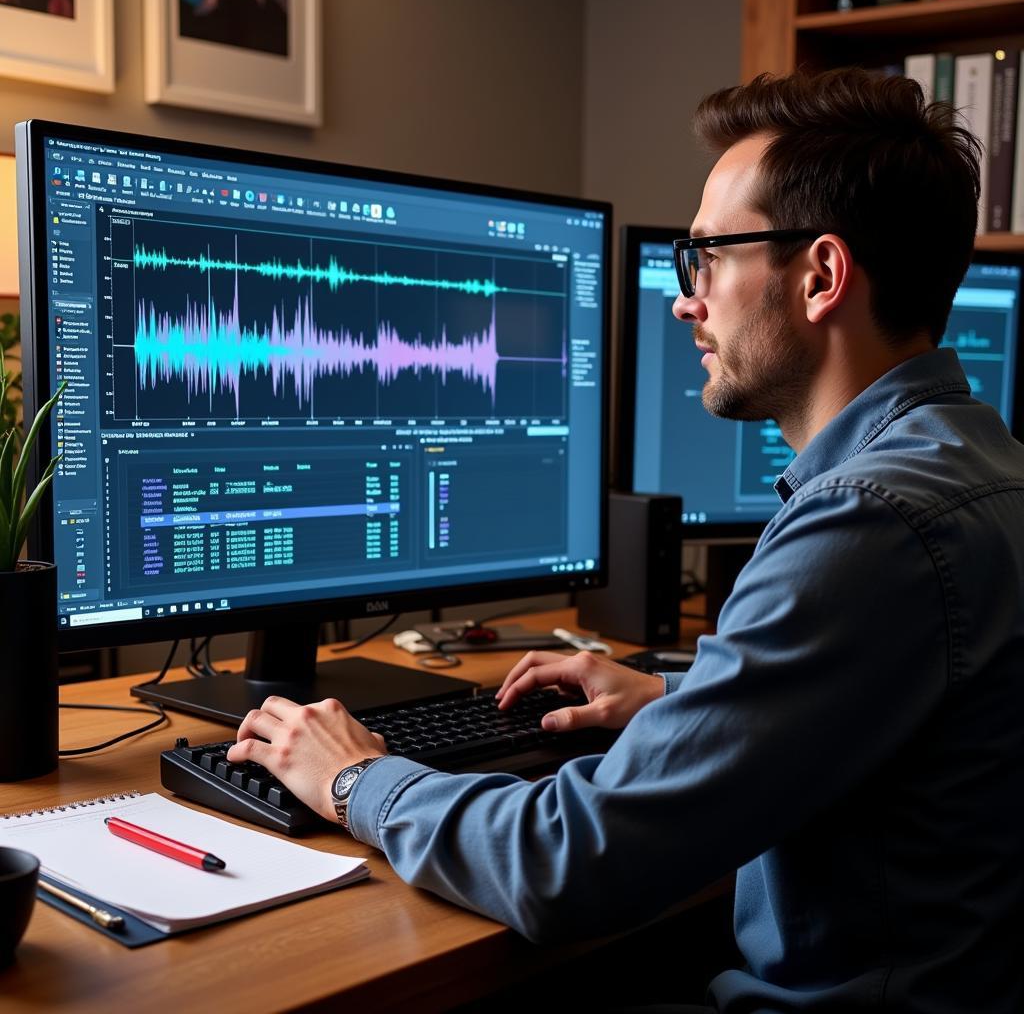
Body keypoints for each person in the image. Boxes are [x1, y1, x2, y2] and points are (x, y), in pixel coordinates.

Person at [227, 68, 1024, 1012]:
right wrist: (679, 697)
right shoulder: (979, 465)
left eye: (708, 257)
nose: (687, 300)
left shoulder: (868, 520)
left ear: (820, 277)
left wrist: (357, 779)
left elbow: (572, 865)